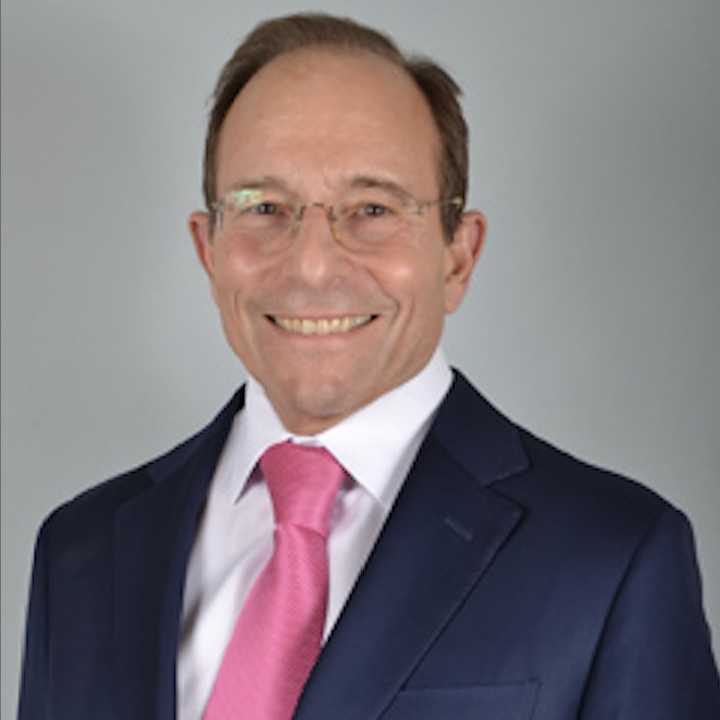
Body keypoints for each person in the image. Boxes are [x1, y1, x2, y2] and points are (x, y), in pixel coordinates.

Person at [17, 12, 720, 720]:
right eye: (264, 206)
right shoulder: (79, 552)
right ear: (208, 250)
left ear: (457, 255)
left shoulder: (614, 558)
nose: (313, 265)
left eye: (373, 208)